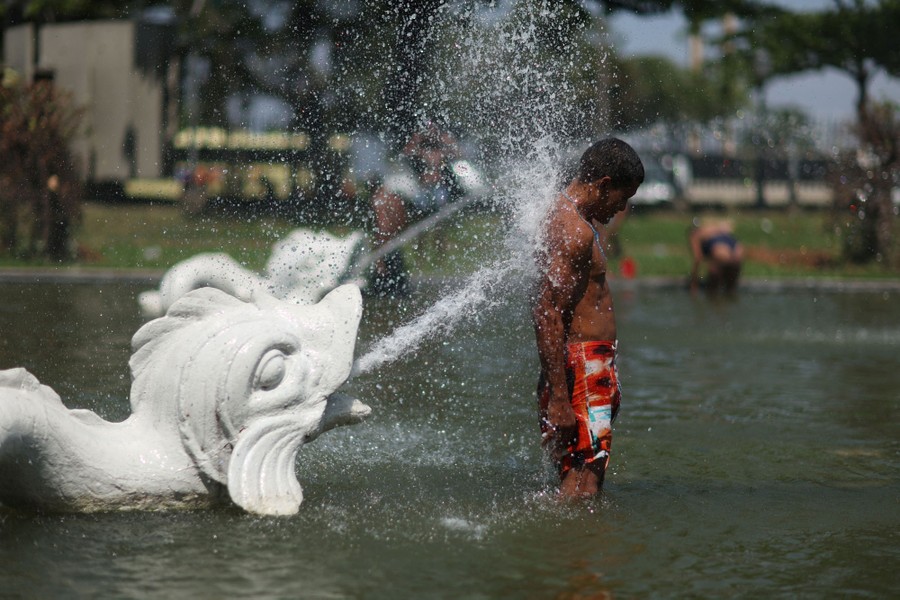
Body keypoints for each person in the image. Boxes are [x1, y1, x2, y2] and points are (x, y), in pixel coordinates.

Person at [532, 138, 644, 498]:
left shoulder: (566, 216)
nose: (622, 208)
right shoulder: (574, 231)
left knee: (575, 476)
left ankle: (569, 549)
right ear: (604, 185)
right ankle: (582, 550)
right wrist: (561, 400)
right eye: (622, 198)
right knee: (585, 484)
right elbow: (547, 312)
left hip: (580, 368)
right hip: (582, 368)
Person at [688, 217, 743, 295]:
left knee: (712, 291)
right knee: (731, 290)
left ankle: (714, 303)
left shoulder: (695, 234)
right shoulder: (714, 228)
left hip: (720, 249)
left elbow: (698, 258)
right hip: (736, 248)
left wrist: (694, 282)